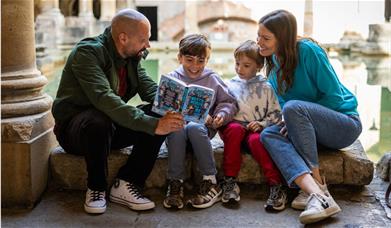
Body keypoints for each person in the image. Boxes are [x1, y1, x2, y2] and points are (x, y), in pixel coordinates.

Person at [52, 9, 184, 214]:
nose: (148, 45)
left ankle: (126, 183)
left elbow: (149, 89)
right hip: (77, 132)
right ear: (123, 38)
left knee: (159, 112)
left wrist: (178, 107)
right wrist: (152, 125)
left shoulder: (132, 55)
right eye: (144, 39)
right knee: (99, 119)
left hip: (110, 127)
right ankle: (96, 188)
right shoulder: (88, 53)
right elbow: (104, 99)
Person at [257, 10, 362, 224]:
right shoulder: (274, 63)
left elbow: (334, 97)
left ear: (283, 37)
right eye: (258, 35)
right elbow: (284, 104)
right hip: (310, 130)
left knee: (294, 108)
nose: (259, 42)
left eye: (265, 38)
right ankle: (313, 191)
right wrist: (291, 120)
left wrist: (296, 115)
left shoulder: (308, 51)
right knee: (268, 134)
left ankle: (318, 186)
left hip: (343, 124)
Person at [162, 34, 238, 209]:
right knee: (176, 127)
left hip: (202, 130)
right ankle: (176, 182)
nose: (195, 66)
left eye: (201, 61)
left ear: (207, 60)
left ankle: (210, 181)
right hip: (177, 132)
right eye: (189, 60)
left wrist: (221, 115)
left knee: (195, 127)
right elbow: (163, 106)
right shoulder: (172, 78)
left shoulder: (212, 78)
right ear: (180, 58)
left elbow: (228, 102)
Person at [219, 40, 287, 211]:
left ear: (258, 66)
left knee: (258, 141)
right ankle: (230, 182)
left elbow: (276, 115)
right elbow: (223, 106)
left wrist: (262, 124)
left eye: (246, 65)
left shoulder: (266, 88)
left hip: (253, 131)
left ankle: (276, 185)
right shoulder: (230, 85)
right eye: (237, 63)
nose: (239, 69)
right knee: (234, 130)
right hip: (234, 130)